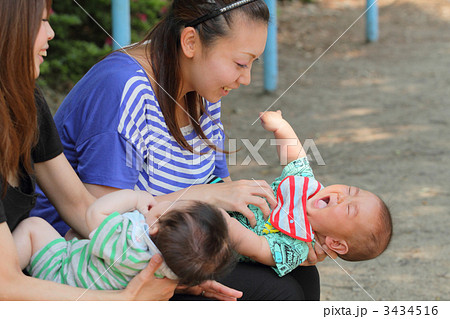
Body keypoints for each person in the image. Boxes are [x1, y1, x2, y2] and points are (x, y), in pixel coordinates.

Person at [31, 0, 328, 300]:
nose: (246, 78)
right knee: (278, 293)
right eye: (240, 63)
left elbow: (219, 189)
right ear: (190, 42)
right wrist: (200, 197)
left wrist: (283, 239)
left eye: (253, 64)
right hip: (89, 262)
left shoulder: (203, 87)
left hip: (166, 243)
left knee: (301, 273)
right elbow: (102, 221)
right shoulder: (124, 88)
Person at [1, 0, 232, 301]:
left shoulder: (25, 99)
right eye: (42, 22)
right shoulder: (123, 85)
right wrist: (126, 299)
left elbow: (81, 207)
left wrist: (164, 267)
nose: (52, 33)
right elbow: (6, 285)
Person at [223, 111, 393, 276]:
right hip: (222, 198)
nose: (342, 196)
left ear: (335, 243)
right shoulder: (308, 188)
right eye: (350, 190)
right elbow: (296, 158)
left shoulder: (297, 248)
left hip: (215, 238)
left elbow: (257, 248)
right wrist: (281, 127)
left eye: (349, 209)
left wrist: (225, 223)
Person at [13, 190, 236, 289]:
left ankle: (11, 274)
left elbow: (94, 214)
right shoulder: (169, 270)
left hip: (61, 275)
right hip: (93, 287)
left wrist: (134, 197)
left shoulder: (129, 236)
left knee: (34, 226)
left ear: (156, 224)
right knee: (75, 236)